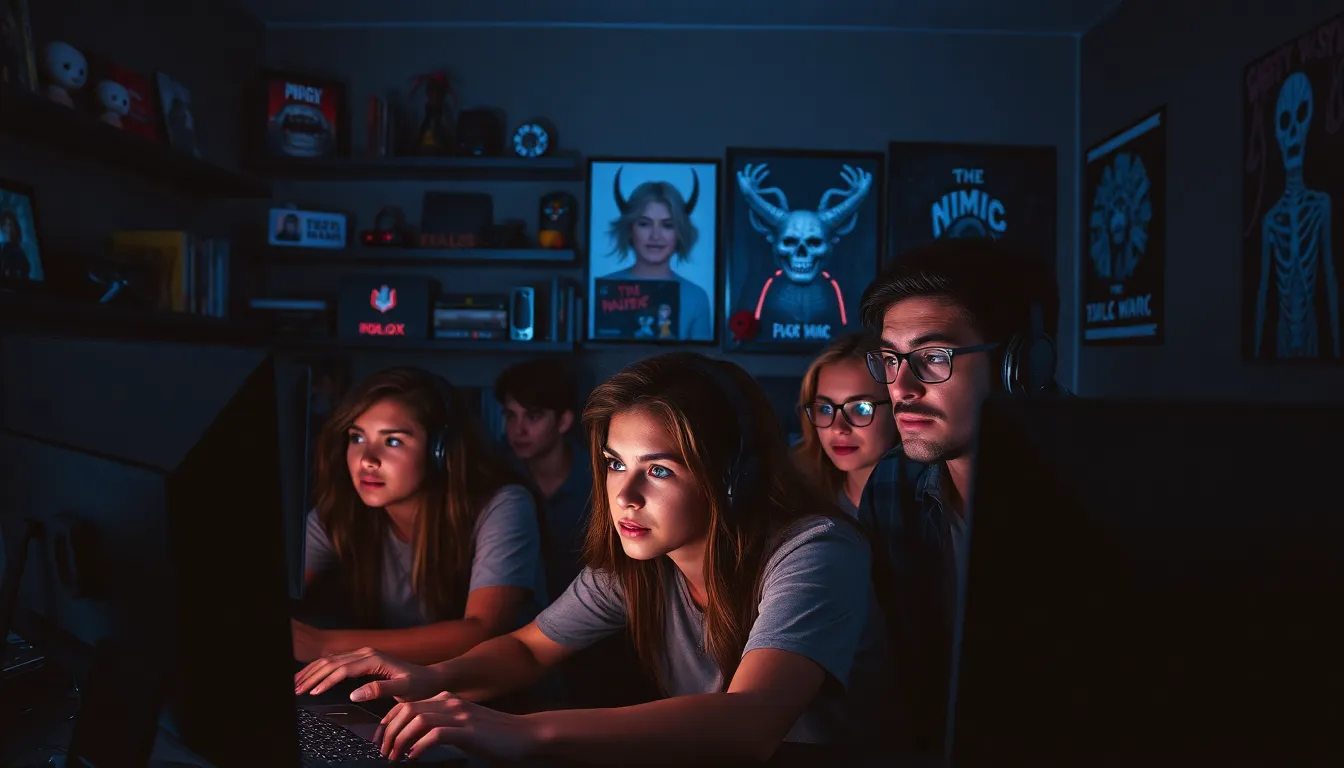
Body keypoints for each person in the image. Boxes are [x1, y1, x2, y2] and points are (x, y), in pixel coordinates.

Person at [295, 353, 890, 764]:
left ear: (730, 475)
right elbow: (529, 647)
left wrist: (523, 732)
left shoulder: (814, 551)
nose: (624, 496)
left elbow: (750, 724)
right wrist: (436, 678)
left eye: (658, 469)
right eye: (613, 464)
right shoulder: (638, 556)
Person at [856, 237, 1062, 754]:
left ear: (1021, 366)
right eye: (889, 359)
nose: (901, 387)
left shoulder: (1105, 484)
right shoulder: (891, 486)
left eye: (933, 357)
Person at [294, 366, 546, 667]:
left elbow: (483, 630)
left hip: (492, 699)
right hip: (385, 695)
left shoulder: (503, 504)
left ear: (440, 452)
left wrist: (324, 644)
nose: (367, 460)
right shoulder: (339, 511)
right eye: (357, 438)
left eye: (393, 441)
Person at [794, 331, 897, 517]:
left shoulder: (934, 511)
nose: (838, 428)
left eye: (861, 409)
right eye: (825, 409)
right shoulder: (802, 506)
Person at [602, 174, 713, 340]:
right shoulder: (604, 290)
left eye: (667, 225)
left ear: (680, 233)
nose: (655, 236)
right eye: (644, 224)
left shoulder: (696, 297)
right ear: (630, 229)